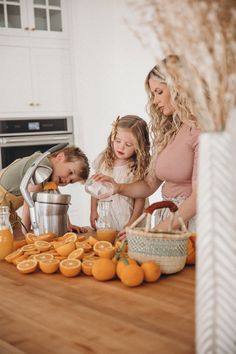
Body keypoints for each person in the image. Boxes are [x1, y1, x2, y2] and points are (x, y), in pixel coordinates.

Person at [94, 55, 204, 231]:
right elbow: (148, 185)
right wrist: (117, 187)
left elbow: (200, 197)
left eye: (159, 92)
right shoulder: (170, 132)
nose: (154, 101)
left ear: (180, 88)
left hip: (191, 225)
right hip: (169, 221)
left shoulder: (201, 131)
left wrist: (156, 231)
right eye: (153, 94)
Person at [0, 145, 90, 237]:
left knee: (16, 241)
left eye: (71, 181)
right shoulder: (42, 167)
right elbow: (30, 201)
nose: (67, 180)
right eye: (70, 172)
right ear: (60, 157)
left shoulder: (49, 173)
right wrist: (26, 232)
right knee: (14, 240)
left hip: (7, 208)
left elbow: (57, 200)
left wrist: (67, 224)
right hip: (1, 201)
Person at [90, 115, 150, 237]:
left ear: (140, 146)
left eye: (128, 145)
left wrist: (131, 223)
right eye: (118, 141)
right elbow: (95, 188)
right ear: (112, 137)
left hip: (129, 218)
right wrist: (93, 210)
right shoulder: (104, 160)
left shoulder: (137, 167)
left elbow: (140, 198)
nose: (121, 147)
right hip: (107, 217)